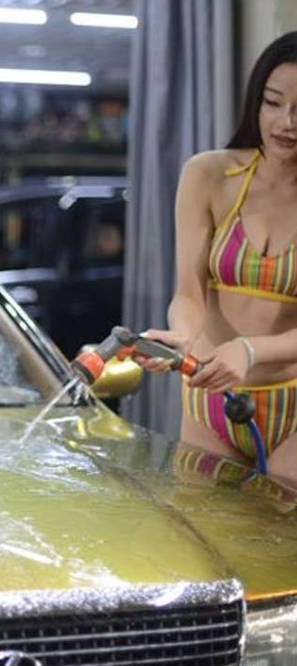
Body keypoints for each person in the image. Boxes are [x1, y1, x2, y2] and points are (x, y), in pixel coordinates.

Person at [141, 31, 297, 490]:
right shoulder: (207, 175)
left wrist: (248, 351)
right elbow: (188, 293)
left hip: (292, 401)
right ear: (256, 102)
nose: (286, 121)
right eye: (273, 102)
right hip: (213, 399)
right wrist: (186, 341)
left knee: (279, 548)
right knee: (204, 540)